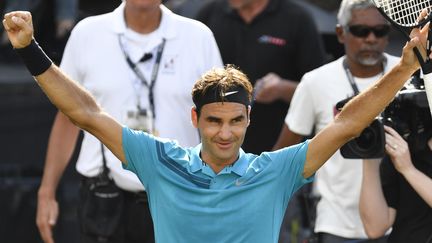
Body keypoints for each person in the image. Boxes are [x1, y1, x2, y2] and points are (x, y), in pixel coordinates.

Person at [2, 8, 429, 243]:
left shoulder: (274, 171)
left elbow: (349, 124)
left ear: (248, 120)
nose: (224, 133)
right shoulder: (161, 162)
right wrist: (29, 51)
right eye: (213, 121)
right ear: (195, 120)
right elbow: (85, 114)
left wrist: (405, 66)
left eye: (235, 121)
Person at [33, 0, 222, 242]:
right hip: (104, 198)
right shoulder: (87, 33)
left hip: (180, 195)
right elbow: (67, 116)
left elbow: (218, 118)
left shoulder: (198, 37)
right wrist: (47, 191)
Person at [273, 0, 397, 242]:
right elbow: (284, 152)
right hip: (336, 224)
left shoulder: (408, 74)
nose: (371, 38)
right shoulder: (315, 82)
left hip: (399, 219)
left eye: (380, 31)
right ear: (341, 33)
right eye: (361, 31)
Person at [196, 0, 327, 154]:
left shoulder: (297, 19)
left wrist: (282, 89)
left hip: (279, 152)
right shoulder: (209, 16)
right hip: (218, 152)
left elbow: (320, 92)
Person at [360, 125, 432, 242]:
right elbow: (375, 228)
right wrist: (369, 151)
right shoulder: (405, 150)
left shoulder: (404, 161)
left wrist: (408, 170)